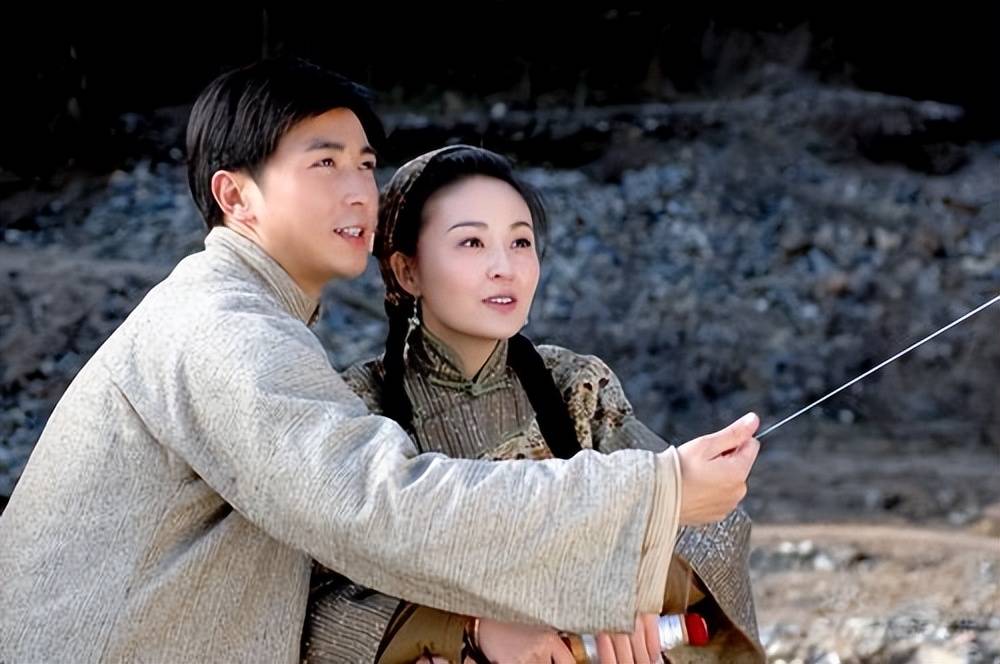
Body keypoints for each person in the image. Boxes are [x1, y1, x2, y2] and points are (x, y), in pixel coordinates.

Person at [0, 58, 759, 663]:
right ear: (236, 196)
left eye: (365, 165)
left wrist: (637, 582)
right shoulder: (224, 328)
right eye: (324, 163)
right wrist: (654, 492)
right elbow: (373, 506)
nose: (358, 190)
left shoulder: (573, 383)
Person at [302, 145, 765, 664]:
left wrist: (628, 590)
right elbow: (311, 603)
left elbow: (702, 541)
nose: (505, 267)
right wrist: (461, 629)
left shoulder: (575, 388)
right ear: (407, 271)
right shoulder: (358, 409)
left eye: (520, 241)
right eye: (472, 242)